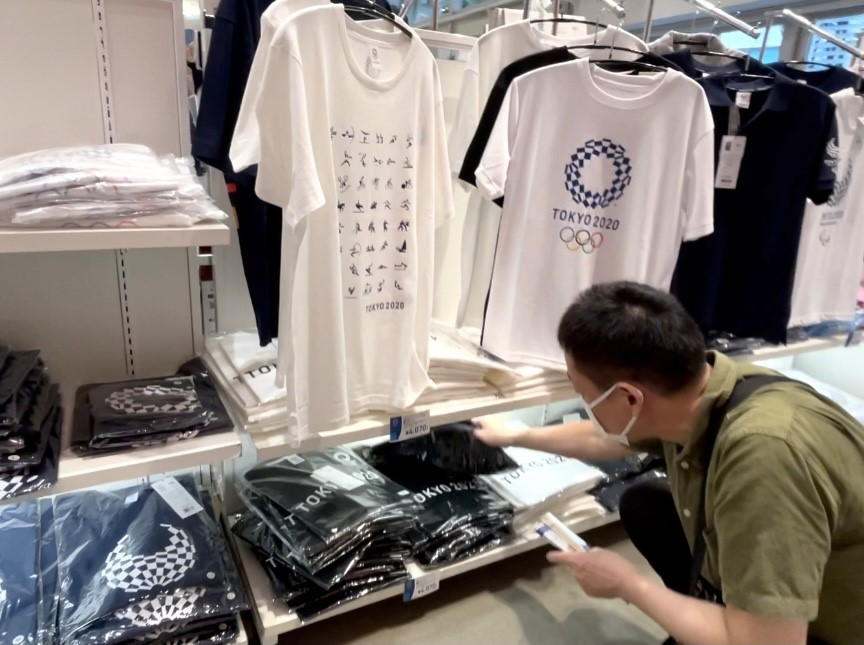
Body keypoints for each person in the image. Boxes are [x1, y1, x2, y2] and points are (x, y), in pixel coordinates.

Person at [474, 281, 864, 645]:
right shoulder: (708, 388)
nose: (584, 405)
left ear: (629, 398)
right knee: (646, 504)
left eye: (583, 393)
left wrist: (630, 586)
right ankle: (712, 613)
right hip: (795, 583)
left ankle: (723, 620)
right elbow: (605, 437)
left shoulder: (764, 457)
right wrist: (514, 435)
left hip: (824, 627)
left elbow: (771, 642)